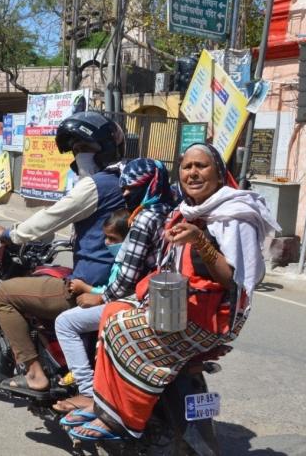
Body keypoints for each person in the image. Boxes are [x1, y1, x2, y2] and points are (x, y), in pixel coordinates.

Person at [69, 143, 280, 441]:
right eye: (186, 167)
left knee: (120, 329)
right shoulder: (184, 210)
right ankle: (104, 402)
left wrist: (200, 242)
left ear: (219, 174)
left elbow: (233, 280)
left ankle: (124, 417)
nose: (192, 172)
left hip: (212, 317)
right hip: (184, 304)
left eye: (201, 166)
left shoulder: (234, 214)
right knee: (112, 312)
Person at [0, 112, 126, 393]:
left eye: (85, 148)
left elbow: (51, 217)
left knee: (3, 295)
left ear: (105, 149)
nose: (79, 155)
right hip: (125, 280)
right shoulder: (129, 180)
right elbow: (63, 217)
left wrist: (11, 234)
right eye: (75, 150)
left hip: (92, 281)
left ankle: (34, 373)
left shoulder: (95, 185)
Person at [54, 159, 178, 417]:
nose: (124, 194)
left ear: (148, 186)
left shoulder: (145, 218)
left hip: (137, 300)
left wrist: (98, 297)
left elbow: (127, 277)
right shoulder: (171, 210)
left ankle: (87, 391)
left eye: (130, 188)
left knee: (66, 323)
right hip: (166, 299)